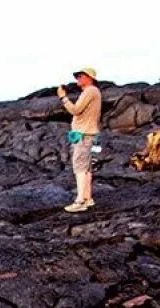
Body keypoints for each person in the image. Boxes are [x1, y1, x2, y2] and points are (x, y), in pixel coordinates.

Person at [57, 67, 102, 213]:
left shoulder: (90, 91)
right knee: (87, 168)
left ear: (90, 78)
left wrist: (63, 97)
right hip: (90, 134)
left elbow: (75, 110)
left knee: (80, 167)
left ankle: (80, 200)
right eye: (77, 76)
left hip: (84, 136)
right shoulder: (93, 91)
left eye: (81, 76)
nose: (78, 79)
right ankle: (88, 198)